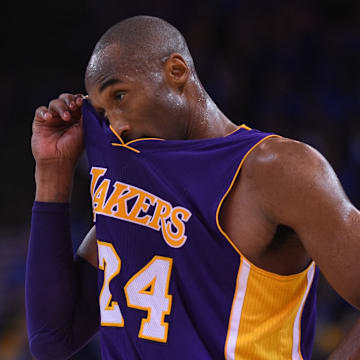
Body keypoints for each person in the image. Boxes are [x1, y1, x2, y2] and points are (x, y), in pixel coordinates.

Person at [26, 15, 360, 360]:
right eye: (103, 113)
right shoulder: (128, 192)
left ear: (176, 72)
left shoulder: (275, 169)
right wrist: (52, 174)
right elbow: (52, 338)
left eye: (120, 96)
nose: (117, 125)